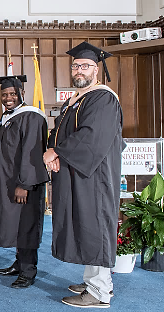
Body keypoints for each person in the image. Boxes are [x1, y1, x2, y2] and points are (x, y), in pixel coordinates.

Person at [44, 42, 123, 308]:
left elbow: (91, 137)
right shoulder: (77, 100)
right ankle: (94, 281)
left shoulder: (103, 98)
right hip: (79, 173)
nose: (79, 70)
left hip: (96, 177)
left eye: (85, 66)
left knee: (95, 226)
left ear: (97, 70)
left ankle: (100, 292)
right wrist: (53, 152)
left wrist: (57, 153)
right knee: (86, 226)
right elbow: (58, 132)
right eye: (76, 66)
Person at [0, 75, 49, 289]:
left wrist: (25, 184)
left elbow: (32, 153)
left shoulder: (31, 117)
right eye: (4, 94)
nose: (8, 98)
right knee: (16, 225)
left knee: (27, 226)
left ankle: (28, 271)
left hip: (25, 185)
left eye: (13, 94)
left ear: (22, 94)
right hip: (9, 181)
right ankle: (19, 263)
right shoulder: (8, 117)